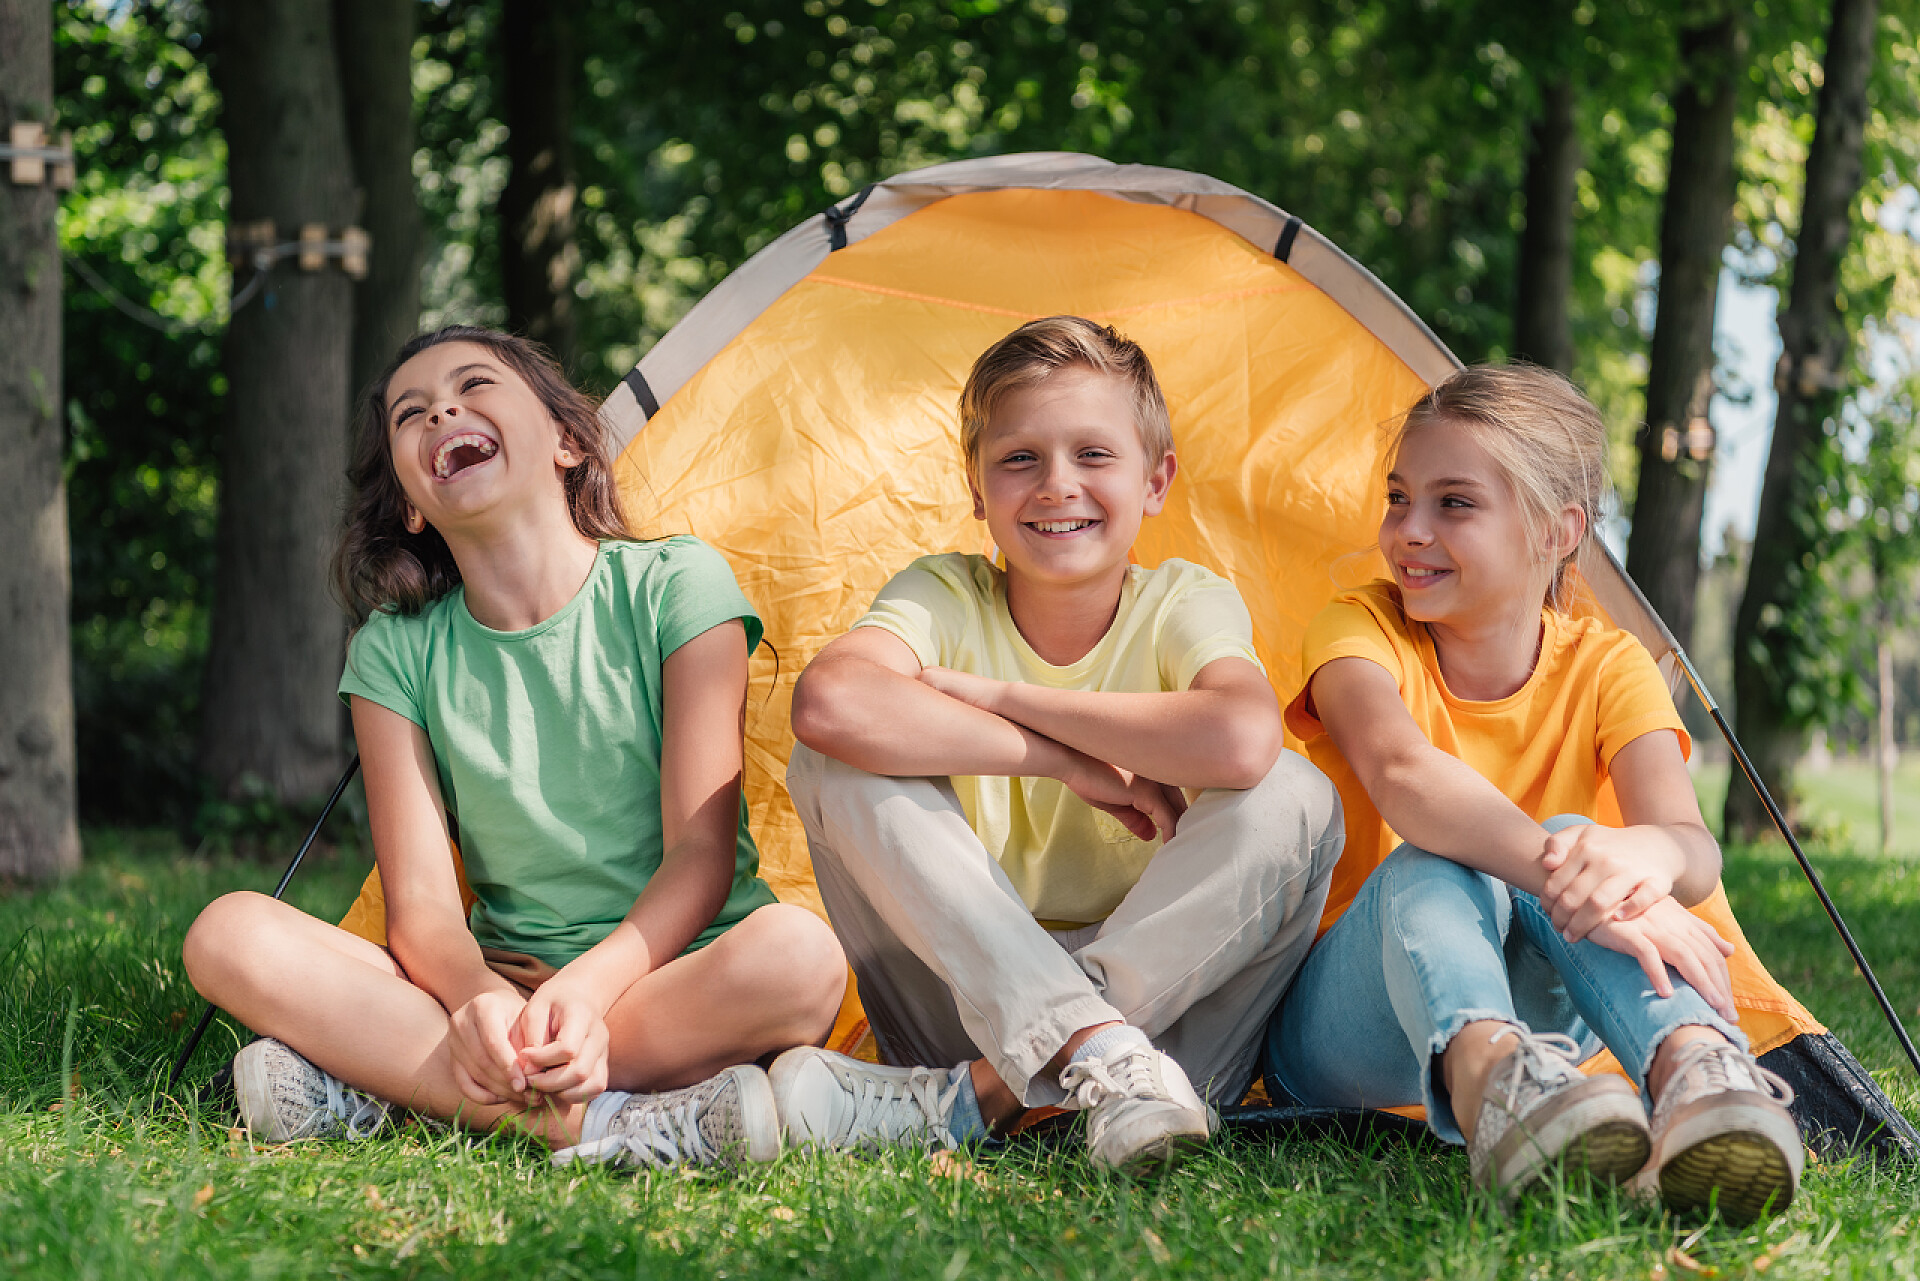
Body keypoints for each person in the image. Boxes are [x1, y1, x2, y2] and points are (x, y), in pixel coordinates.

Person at [182, 326, 846, 1169]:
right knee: (226, 932)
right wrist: (480, 1000)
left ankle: (394, 1085)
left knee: (802, 956)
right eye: (411, 413)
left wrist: (590, 989)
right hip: (497, 981)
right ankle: (607, 1122)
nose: (443, 410)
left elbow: (701, 854)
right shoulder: (394, 650)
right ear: (413, 503)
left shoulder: (678, 585)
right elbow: (420, 903)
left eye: (473, 386)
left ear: (568, 442)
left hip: (675, 975)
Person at [775, 315, 1344, 1174]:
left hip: (1172, 1024)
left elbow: (1240, 736)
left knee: (1296, 792)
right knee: (835, 756)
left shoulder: (1184, 600)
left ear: (1156, 481)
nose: (1056, 485)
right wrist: (1062, 759)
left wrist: (1008, 697)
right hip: (962, 996)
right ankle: (1088, 1049)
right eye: (1018, 459)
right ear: (975, 489)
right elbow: (829, 701)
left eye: (1093, 455)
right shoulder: (944, 592)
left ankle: (991, 1094)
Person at [1261, 364, 1800, 1222]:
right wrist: (1572, 870)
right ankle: (1495, 1087)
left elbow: (1693, 850)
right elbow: (1405, 777)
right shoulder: (1355, 628)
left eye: (1454, 504)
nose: (1410, 531)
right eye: (1400, 498)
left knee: (1589, 839)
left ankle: (1700, 1079)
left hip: (1547, 1015)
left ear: (1557, 530)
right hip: (1346, 1025)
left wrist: (1639, 856)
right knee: (1453, 855)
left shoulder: (1609, 662)